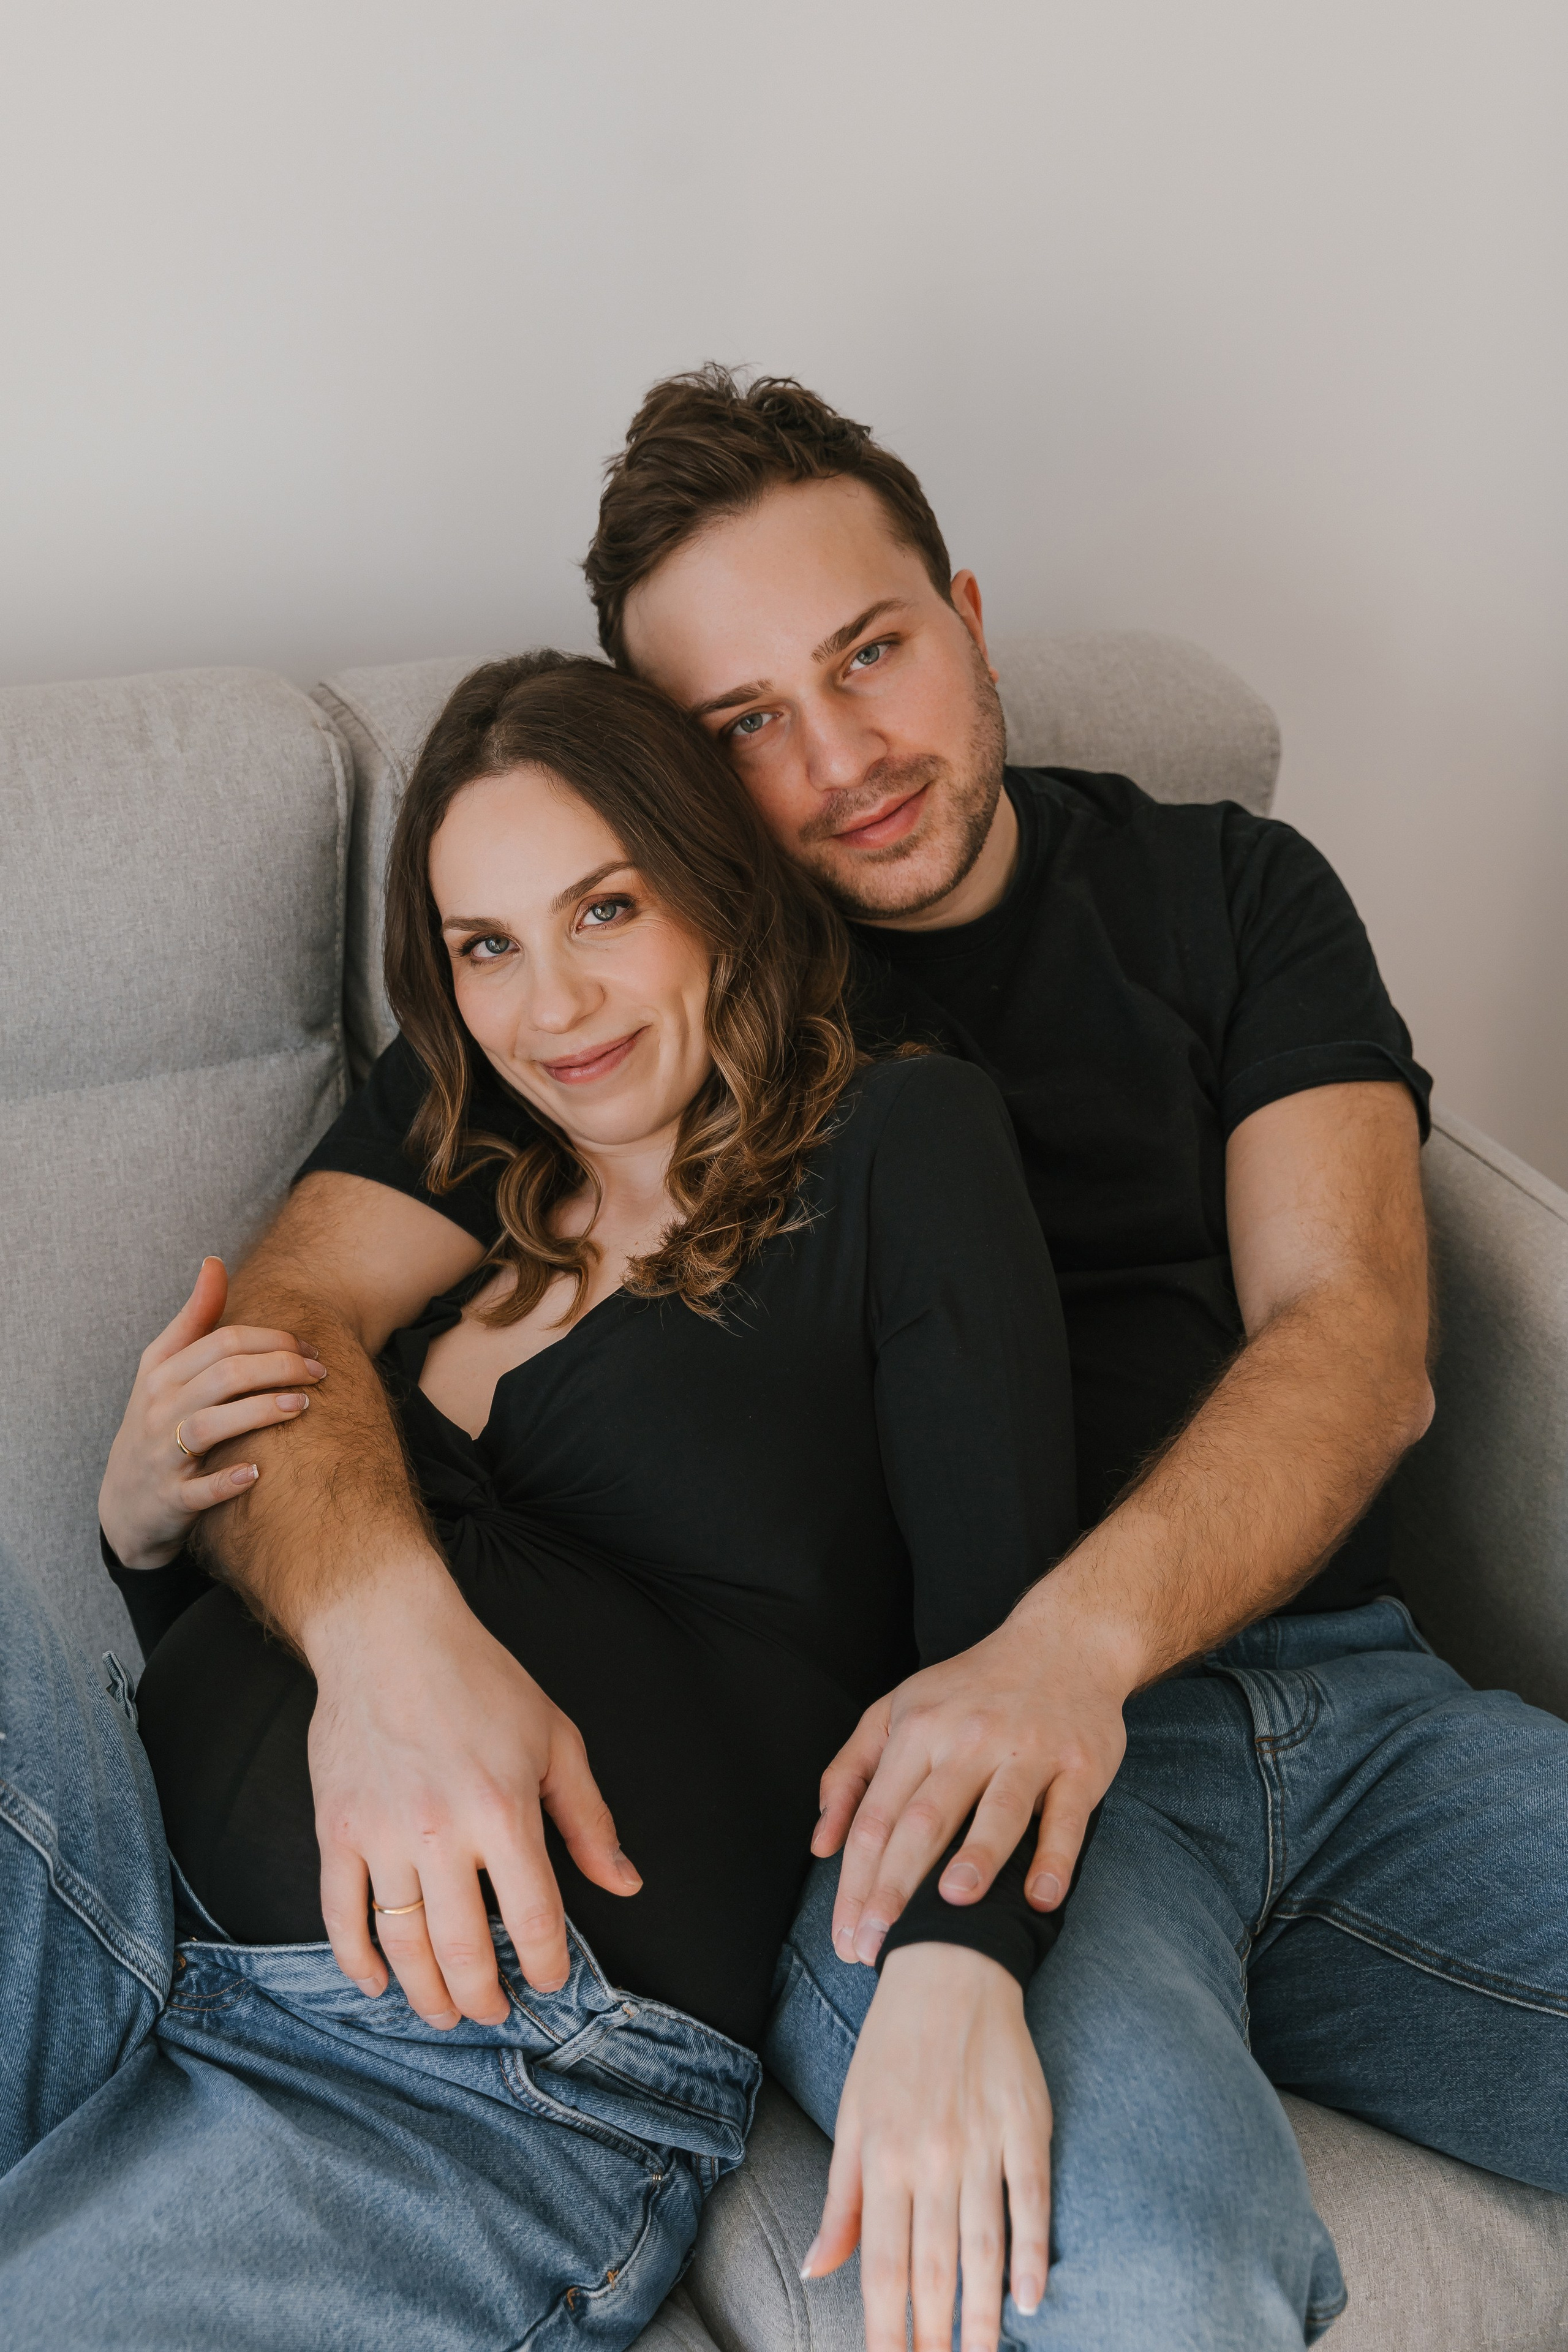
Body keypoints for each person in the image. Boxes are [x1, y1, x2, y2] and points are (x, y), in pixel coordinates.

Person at [74, 372, 1568, 2348]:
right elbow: (284, 1329)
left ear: (967, 613)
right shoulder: (624, 982)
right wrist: (382, 1644)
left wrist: (1068, 1658)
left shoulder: (1224, 890)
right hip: (935, 1745)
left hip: (1313, 1693)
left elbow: (1355, 1338)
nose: (846, 757)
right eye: (743, 723)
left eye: (870, 653)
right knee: (1148, 2267)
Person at [0, 653, 1084, 2349]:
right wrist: (144, 1535)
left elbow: (1009, 1634)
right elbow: (281, 1598)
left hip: (464, 2062)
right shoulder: (470, 1162)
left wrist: (964, 1962)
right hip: (123, 1904)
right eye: (487, 946)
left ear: (718, 887)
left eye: (605, 910)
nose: (554, 1006)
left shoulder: (900, 1144)